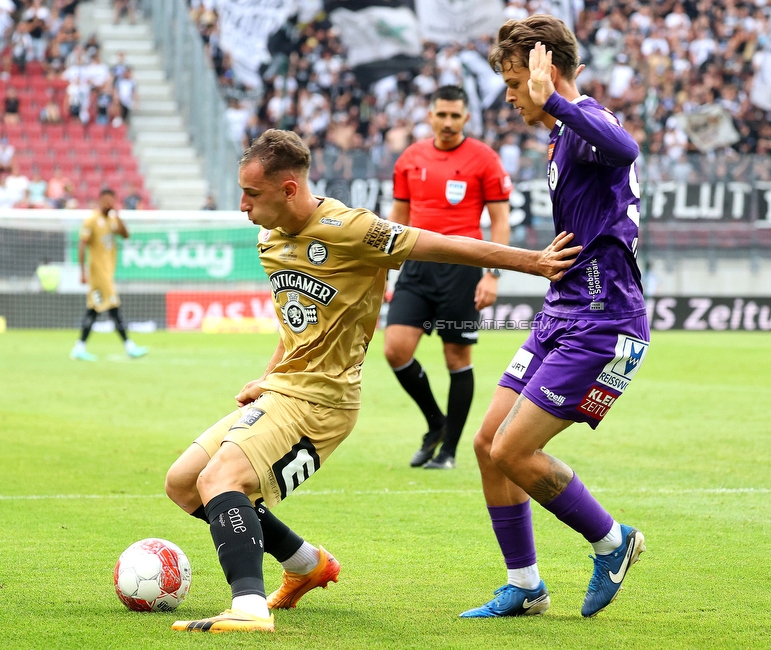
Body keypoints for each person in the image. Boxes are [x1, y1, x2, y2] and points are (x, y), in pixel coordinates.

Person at [163, 129, 578, 633]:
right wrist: (269, 375)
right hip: (284, 390)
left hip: (323, 402)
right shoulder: (269, 236)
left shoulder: (352, 228)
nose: (242, 206)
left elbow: (440, 245)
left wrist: (530, 263)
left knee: (219, 480)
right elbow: (295, 317)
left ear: (289, 188)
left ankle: (248, 608)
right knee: (184, 484)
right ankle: (306, 565)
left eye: (252, 194)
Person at [459, 17, 648, 620]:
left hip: (604, 320)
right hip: (561, 310)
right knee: (488, 444)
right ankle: (525, 585)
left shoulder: (587, 122)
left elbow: (626, 148)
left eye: (516, 81)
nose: (510, 95)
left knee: (514, 451)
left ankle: (613, 541)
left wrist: (557, 102)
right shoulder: (562, 135)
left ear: (548, 71)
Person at [384, 85, 513, 470]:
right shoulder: (410, 158)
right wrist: (383, 265)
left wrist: (492, 274)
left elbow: (500, 221)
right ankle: (435, 423)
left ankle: (450, 451)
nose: (447, 122)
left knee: (456, 356)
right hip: (417, 265)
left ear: (466, 118)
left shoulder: (484, 159)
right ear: (430, 115)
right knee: (395, 350)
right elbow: (398, 216)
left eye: (455, 115)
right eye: (441, 114)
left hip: (463, 269)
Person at [70, 188, 148, 361]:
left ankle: (79, 347)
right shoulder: (91, 220)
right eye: (106, 199)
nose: (109, 203)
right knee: (114, 308)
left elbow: (126, 235)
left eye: (112, 199)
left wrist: (118, 216)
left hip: (108, 272)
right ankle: (129, 346)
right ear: (100, 200)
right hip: (98, 274)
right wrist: (82, 272)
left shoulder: (113, 219)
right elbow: (82, 245)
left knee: (94, 310)